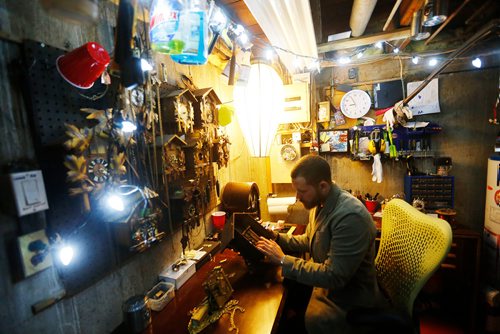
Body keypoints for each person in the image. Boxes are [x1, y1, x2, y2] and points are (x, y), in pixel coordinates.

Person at [256, 155, 385, 334]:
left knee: (303, 314)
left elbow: (334, 276)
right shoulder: (320, 203)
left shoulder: (350, 216)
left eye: (302, 191)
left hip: (349, 298)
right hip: (332, 287)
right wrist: (276, 238)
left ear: (323, 186)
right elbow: (311, 240)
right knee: (285, 293)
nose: (297, 197)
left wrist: (283, 260)